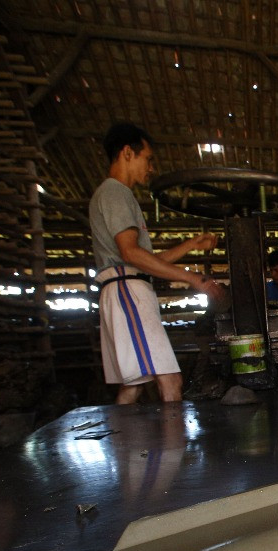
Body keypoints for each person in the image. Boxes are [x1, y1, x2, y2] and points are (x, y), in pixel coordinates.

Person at [90, 122, 226, 404]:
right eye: (148, 159)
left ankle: (124, 448)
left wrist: (191, 244)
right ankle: (174, 449)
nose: (151, 168)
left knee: (134, 385)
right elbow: (131, 254)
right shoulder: (116, 192)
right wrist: (194, 279)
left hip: (124, 287)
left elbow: (143, 260)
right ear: (128, 152)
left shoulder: (114, 194)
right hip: (128, 291)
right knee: (171, 381)